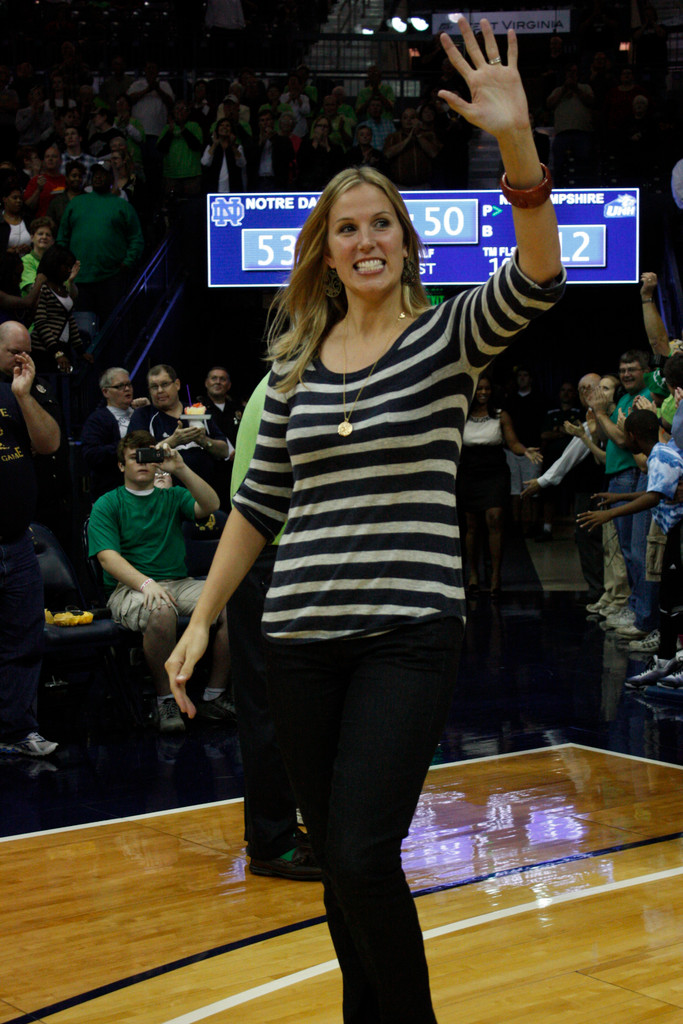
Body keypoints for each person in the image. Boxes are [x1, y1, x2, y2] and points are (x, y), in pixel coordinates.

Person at [165, 19, 564, 1024]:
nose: (365, 239)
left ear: (402, 240)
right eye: (346, 228)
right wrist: (207, 617)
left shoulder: (442, 341)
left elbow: (537, 276)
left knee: (357, 850)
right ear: (326, 253)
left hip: (404, 635)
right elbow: (257, 505)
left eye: (380, 223)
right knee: (336, 863)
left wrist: (515, 147)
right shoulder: (293, 374)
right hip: (297, 637)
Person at [228, 374, 321, 880]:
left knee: (282, 707)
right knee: (270, 709)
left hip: (270, 557)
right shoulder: (293, 384)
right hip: (273, 555)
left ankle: (281, 831)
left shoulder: (274, 382)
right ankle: (273, 841)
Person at [87, 430, 232, 733]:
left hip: (179, 582)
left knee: (231, 602)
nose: (142, 463)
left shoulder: (172, 496)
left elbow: (210, 504)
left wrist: (180, 468)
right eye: (133, 457)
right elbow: (107, 558)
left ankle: (213, 695)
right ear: (121, 466)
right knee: (161, 610)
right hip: (128, 589)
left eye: (148, 456)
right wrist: (145, 584)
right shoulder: (108, 503)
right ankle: (165, 698)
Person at [578, 408, 683, 685]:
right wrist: (620, 496)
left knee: (674, 598)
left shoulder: (659, 456)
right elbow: (657, 491)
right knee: (668, 597)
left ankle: (672, 660)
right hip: (672, 531)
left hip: (677, 532)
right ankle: (666, 660)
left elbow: (654, 497)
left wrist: (609, 513)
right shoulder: (659, 454)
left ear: (632, 436)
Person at [0, 321, 60, 758]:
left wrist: (23, 393)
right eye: (12, 351)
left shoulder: (25, 390)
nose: (22, 359)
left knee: (24, 639)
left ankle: (17, 731)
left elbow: (50, 443)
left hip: (18, 542)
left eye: (27, 351)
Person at [587, 350, 656, 638]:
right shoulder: (627, 399)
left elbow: (621, 439)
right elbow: (606, 436)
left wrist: (601, 413)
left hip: (634, 475)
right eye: (623, 369)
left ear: (646, 371)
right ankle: (636, 607)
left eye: (632, 369)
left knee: (638, 552)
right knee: (628, 551)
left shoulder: (649, 394)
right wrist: (596, 416)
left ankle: (645, 618)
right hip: (621, 475)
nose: (627, 374)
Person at [457, 372, 541, 597]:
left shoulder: (500, 415)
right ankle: (473, 573)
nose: (483, 392)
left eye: (487, 389)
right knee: (472, 525)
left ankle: (495, 575)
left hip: (494, 470)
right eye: (479, 389)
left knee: (494, 518)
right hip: (469, 471)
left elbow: (512, 443)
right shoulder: (462, 415)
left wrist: (525, 451)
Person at [129, 364, 233, 509]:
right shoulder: (144, 416)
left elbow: (224, 451)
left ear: (177, 384)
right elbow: (136, 456)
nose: (160, 391)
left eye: (164, 384)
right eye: (154, 387)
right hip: (166, 502)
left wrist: (203, 441)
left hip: (206, 499)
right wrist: (173, 441)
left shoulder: (197, 411)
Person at [56, 162, 144, 321]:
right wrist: (64, 265)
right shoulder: (76, 203)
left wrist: (127, 263)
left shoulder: (122, 206)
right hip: (79, 279)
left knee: (111, 326)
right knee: (82, 328)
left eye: (103, 173)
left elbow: (136, 239)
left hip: (111, 278)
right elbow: (62, 237)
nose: (98, 176)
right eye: (95, 173)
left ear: (111, 178)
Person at [81, 366, 150, 499]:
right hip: (114, 489)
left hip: (147, 485)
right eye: (120, 386)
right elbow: (91, 455)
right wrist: (126, 447)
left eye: (129, 384)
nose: (127, 389)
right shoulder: (97, 419)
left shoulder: (141, 412)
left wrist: (148, 411)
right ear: (106, 392)